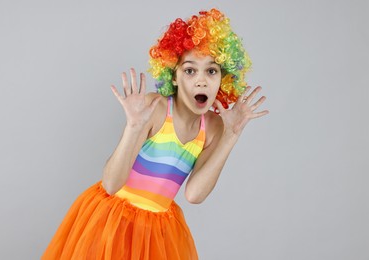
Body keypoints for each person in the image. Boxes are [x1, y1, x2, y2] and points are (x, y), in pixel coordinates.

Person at [42, 8, 269, 260]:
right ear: (174, 76)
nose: (201, 81)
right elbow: (111, 183)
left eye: (212, 71)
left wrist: (231, 135)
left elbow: (194, 195)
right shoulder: (157, 109)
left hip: (157, 234)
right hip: (111, 221)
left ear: (224, 78)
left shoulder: (214, 127)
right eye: (190, 70)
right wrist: (134, 127)